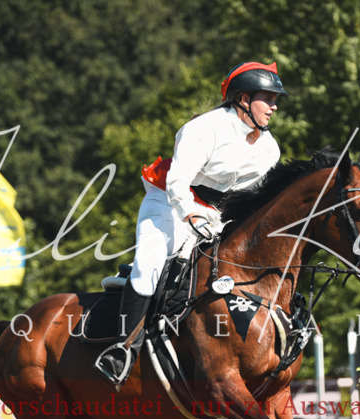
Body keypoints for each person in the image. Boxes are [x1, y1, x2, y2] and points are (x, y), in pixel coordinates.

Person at [96, 61, 288, 387]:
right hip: (170, 202)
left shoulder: (269, 149)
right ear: (243, 99)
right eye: (267, 98)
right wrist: (190, 214)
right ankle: (122, 349)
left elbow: (255, 200)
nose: (274, 106)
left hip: (218, 212)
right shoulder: (203, 129)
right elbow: (178, 182)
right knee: (150, 261)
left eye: (275, 99)